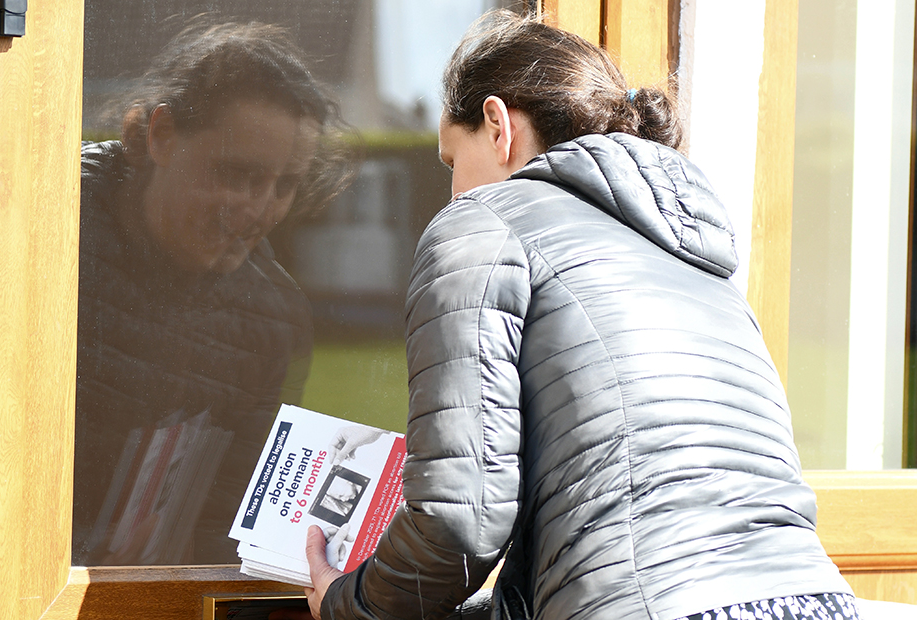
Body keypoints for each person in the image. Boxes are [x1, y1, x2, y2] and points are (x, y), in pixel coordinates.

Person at [300, 10, 859, 620]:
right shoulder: (696, 258)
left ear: (498, 125)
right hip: (817, 600)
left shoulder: (483, 221)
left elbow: (461, 521)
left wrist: (349, 603)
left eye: (451, 162)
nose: (452, 190)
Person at [74, 20, 351, 565]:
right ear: (160, 136)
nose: (258, 209)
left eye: (284, 185)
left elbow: (225, 527)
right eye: (236, 173)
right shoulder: (43, 234)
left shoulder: (270, 320)